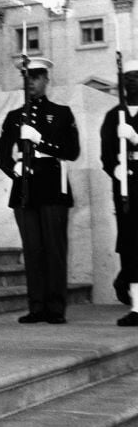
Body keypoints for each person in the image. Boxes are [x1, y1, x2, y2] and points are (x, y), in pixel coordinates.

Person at [0, 58, 79, 324]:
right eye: (27, 77)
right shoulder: (14, 116)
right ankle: (36, 306)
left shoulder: (62, 112)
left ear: (46, 80)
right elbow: (1, 156)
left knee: (54, 249)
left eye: (36, 76)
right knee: (32, 250)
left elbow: (71, 152)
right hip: (25, 189)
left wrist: (40, 140)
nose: (31, 81)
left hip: (53, 185)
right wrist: (14, 170)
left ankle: (55, 307)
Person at [101, 59, 138, 326]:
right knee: (130, 245)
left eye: (136, 78)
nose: (131, 83)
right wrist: (114, 167)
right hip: (125, 190)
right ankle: (137, 306)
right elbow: (106, 154)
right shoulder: (114, 115)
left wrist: (136, 138)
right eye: (127, 78)